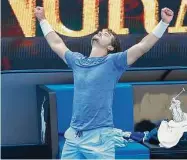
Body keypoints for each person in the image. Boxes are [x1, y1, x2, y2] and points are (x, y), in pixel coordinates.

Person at [35, 6, 174, 159]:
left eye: (106, 34)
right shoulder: (77, 61)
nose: (101, 32)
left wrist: (163, 23)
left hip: (99, 139)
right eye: (100, 32)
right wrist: (42, 20)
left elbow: (143, 46)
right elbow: (57, 44)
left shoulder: (113, 62)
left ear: (110, 47)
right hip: (73, 136)